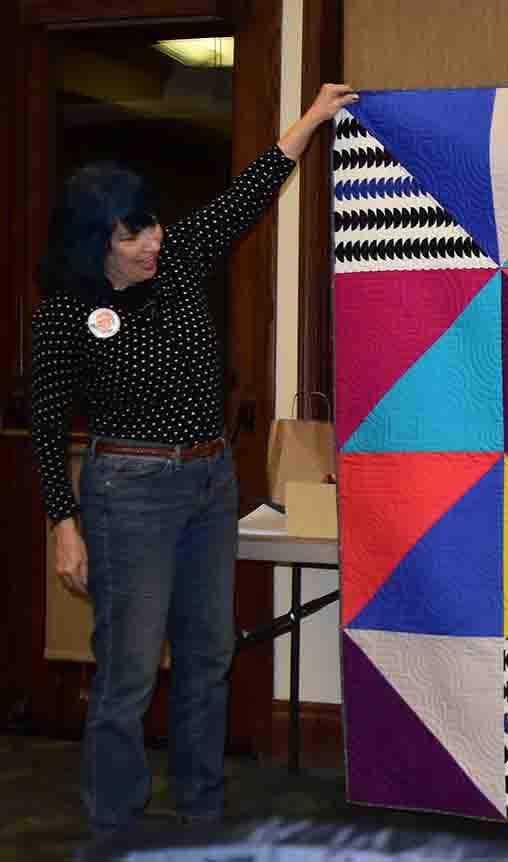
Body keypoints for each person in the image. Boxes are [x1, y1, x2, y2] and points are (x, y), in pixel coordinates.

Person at [31, 83, 358, 837]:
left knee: (208, 656)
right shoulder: (66, 313)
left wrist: (312, 119)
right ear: (95, 243)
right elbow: (47, 426)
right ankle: (114, 825)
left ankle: (200, 813)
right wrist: (63, 523)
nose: (152, 242)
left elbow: (248, 195)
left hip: (210, 480)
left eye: (152, 225)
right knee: (129, 669)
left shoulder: (177, 259)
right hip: (128, 489)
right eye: (132, 235)